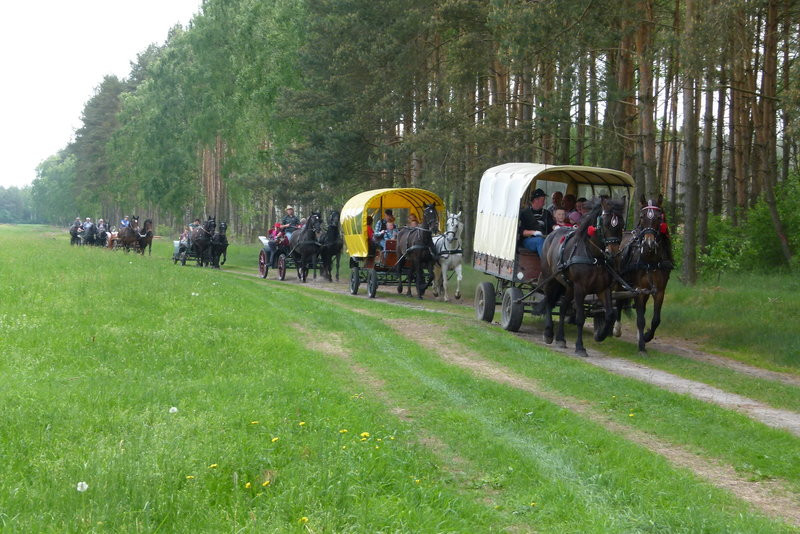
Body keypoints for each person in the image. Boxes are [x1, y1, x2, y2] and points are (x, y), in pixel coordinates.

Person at [519, 188, 555, 256]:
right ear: (536, 200)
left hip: (545, 239)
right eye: (543, 200)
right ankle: (547, 265)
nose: (544, 203)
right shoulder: (524, 213)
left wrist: (556, 227)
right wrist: (533, 232)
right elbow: (521, 231)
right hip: (529, 240)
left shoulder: (546, 213)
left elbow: (552, 224)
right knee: (540, 241)